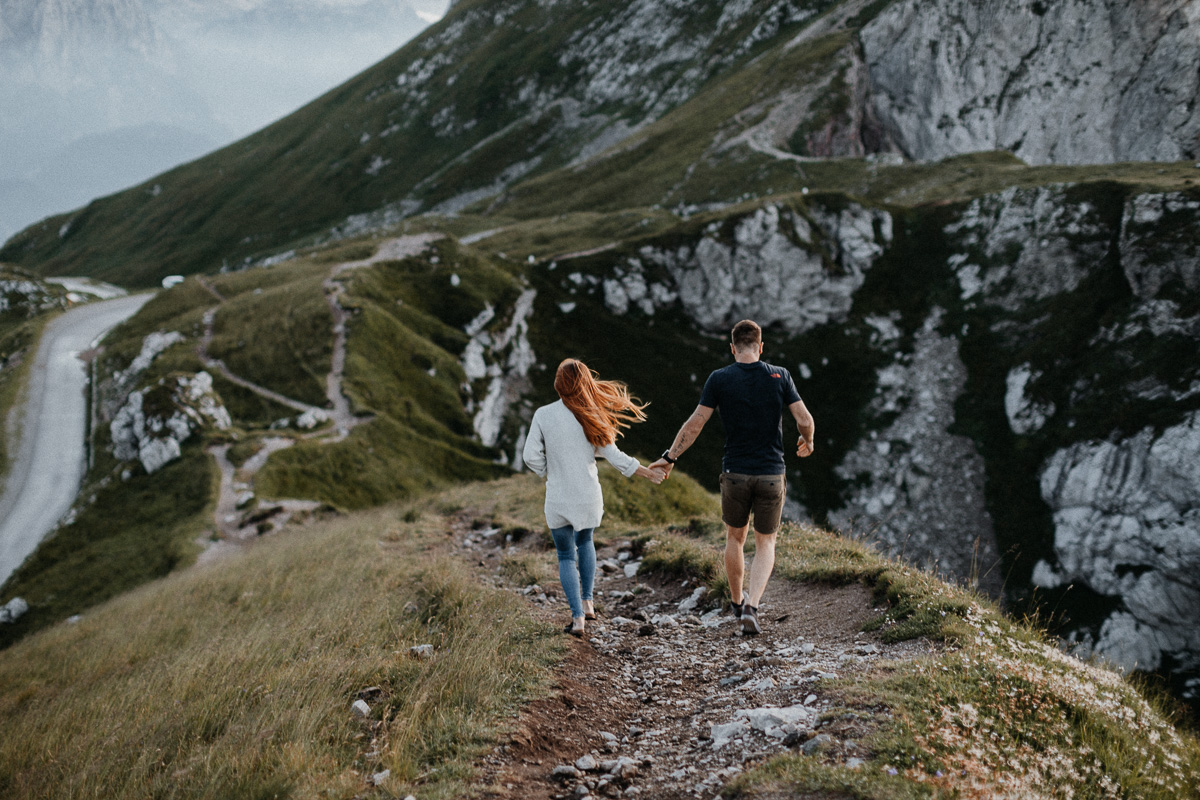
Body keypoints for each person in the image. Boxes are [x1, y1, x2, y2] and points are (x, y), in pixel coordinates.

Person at [650, 319, 815, 635]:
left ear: (732, 347)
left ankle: (737, 602)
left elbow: (695, 424)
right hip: (771, 473)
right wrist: (808, 441)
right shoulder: (781, 376)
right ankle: (753, 606)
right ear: (761, 346)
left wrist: (670, 457)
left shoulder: (719, 379)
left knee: (735, 537)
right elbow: (805, 419)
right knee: (766, 542)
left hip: (735, 474)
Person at [524, 358, 666, 638]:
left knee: (565, 555)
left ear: (558, 384)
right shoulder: (593, 416)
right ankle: (588, 602)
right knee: (586, 541)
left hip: (558, 497)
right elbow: (615, 457)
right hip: (588, 496)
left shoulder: (543, 414)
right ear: (585, 383)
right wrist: (649, 474)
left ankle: (577, 619)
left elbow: (530, 456)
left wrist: (548, 470)